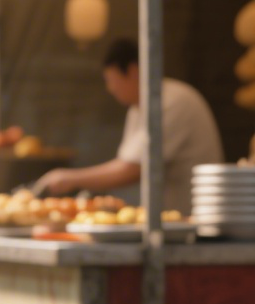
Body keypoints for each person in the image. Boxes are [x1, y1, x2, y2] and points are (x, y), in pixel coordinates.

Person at [37, 40, 221, 213]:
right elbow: (126, 161)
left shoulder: (173, 100)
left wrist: (69, 178)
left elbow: (132, 169)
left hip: (192, 219)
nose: (110, 88)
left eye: (110, 79)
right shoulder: (137, 108)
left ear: (132, 71)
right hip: (166, 221)